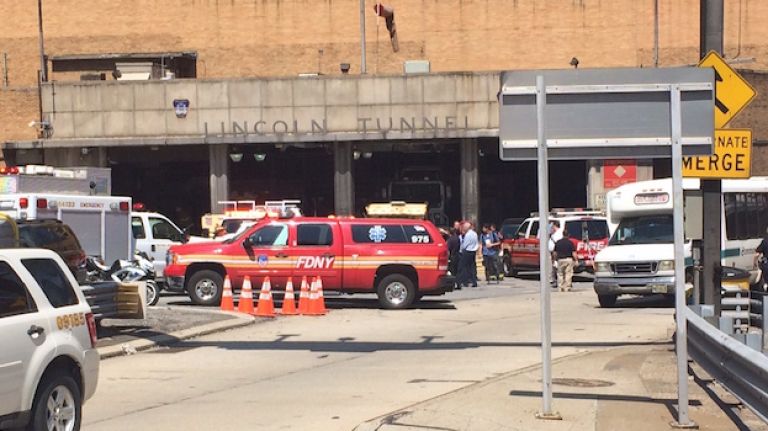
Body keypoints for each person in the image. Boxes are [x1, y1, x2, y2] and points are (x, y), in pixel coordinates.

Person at [457, 221, 479, 288]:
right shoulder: (475, 234)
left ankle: (464, 282)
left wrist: (461, 250)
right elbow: (476, 243)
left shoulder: (468, 235)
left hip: (467, 251)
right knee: (472, 267)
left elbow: (465, 244)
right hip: (473, 251)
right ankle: (474, 281)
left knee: (464, 267)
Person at [547, 221, 562, 287]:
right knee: (554, 268)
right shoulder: (554, 233)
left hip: (555, 253)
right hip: (553, 253)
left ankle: (558, 282)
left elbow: (557, 245)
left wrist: (554, 256)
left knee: (557, 268)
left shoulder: (558, 233)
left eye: (552, 226)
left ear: (555, 226)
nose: (551, 228)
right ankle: (554, 280)